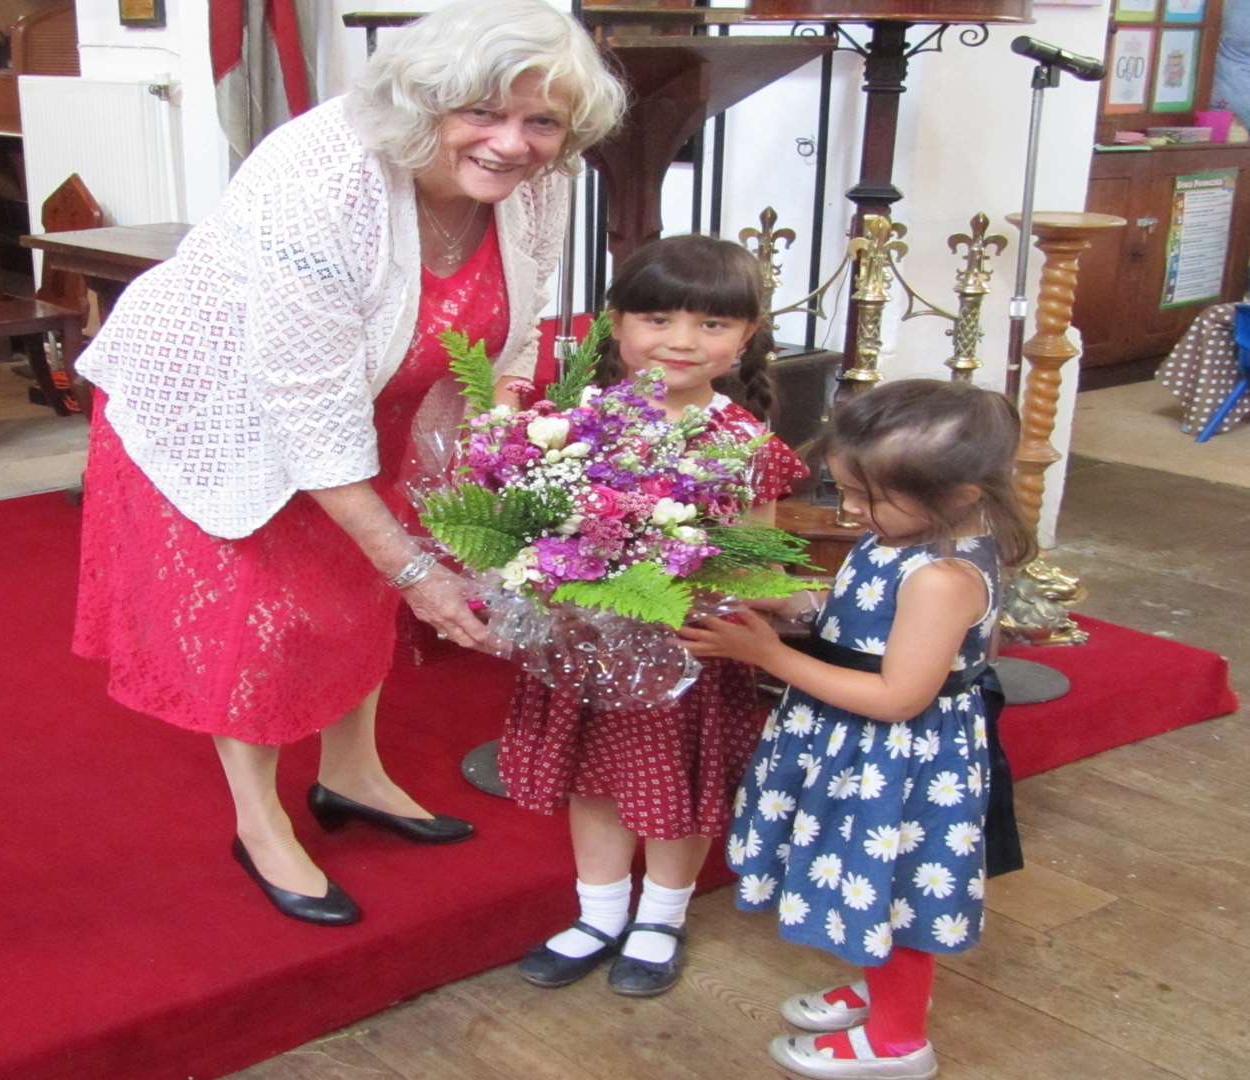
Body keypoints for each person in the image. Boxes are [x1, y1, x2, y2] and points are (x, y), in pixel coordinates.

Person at [69, 2, 625, 927]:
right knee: (267, 617)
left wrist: (501, 439)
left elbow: (516, 325)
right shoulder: (322, 176)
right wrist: (417, 570)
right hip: (227, 404)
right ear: (426, 104)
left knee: (354, 598)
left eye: (542, 121)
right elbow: (302, 405)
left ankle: (353, 773)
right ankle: (259, 821)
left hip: (380, 399)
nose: (512, 143)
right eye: (482, 113)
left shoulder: (538, 175)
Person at [678, 379, 1035, 1080]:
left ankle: (900, 1042)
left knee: (891, 892)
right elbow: (858, 610)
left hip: (896, 762)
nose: (848, 508)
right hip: (855, 749)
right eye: (843, 487)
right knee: (855, 881)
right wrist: (791, 602)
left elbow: (899, 695)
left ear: (959, 492)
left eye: (868, 496)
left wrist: (769, 656)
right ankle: (878, 990)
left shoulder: (943, 576)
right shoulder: (900, 536)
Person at [500, 235, 811, 996]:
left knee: (680, 789)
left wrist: (737, 591)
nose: (680, 341)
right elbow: (536, 528)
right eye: (659, 317)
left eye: (711, 324)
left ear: (744, 340)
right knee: (596, 780)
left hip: (690, 652)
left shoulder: (743, 442)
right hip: (591, 648)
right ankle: (599, 913)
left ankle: (661, 917)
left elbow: (760, 557)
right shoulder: (573, 425)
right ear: (614, 324)